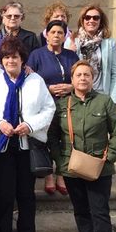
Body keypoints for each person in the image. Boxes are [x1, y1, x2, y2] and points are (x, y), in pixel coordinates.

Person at [48, 61, 116, 232]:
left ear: (92, 79)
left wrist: (109, 158)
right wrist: (60, 161)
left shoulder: (104, 102)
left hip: (99, 168)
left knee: (99, 210)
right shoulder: (63, 105)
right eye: (78, 75)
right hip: (72, 167)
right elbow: (53, 136)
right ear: (72, 80)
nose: (83, 78)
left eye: (87, 75)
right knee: (81, 209)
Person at [0, 38, 55, 232]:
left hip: (27, 145)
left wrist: (30, 125)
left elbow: (49, 108)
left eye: (15, 56)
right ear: (1, 61)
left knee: (26, 196)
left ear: (22, 59)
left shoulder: (36, 81)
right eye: (6, 57)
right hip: (4, 146)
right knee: (4, 196)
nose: (10, 60)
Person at [28, 20, 79, 195]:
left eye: (60, 33)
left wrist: (71, 87)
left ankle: (61, 174)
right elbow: (30, 78)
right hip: (45, 103)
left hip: (68, 103)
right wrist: (48, 87)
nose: (56, 35)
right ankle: (48, 173)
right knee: (48, 138)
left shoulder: (71, 56)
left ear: (65, 36)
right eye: (53, 32)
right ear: (47, 35)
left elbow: (79, 76)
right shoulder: (37, 55)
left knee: (65, 138)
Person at [64, 5, 116, 104]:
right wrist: (69, 52)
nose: (91, 20)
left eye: (96, 18)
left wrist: (114, 100)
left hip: (101, 94)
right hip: (78, 94)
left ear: (100, 21)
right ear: (82, 21)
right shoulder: (72, 40)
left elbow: (115, 72)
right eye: (87, 17)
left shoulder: (109, 43)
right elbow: (66, 69)